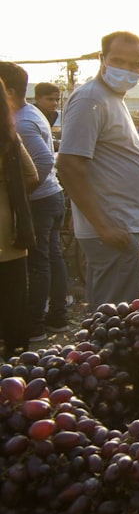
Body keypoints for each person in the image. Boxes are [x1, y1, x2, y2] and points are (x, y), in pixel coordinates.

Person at [57, 31, 139, 309]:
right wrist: (102, 226)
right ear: (102, 59)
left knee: (120, 310)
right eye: (118, 60)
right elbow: (69, 164)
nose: (126, 69)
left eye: (135, 64)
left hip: (120, 225)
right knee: (114, 314)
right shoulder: (91, 98)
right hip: (113, 228)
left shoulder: (112, 97)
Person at [0, 63, 70, 340]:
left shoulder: (24, 121)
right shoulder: (27, 115)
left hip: (40, 201)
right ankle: (58, 318)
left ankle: (37, 325)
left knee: (39, 264)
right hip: (50, 196)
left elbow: (41, 162)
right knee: (52, 259)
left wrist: (18, 197)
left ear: (10, 89)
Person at [0, 74, 39, 356]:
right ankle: (15, 360)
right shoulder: (9, 137)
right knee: (14, 297)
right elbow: (32, 174)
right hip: (10, 228)